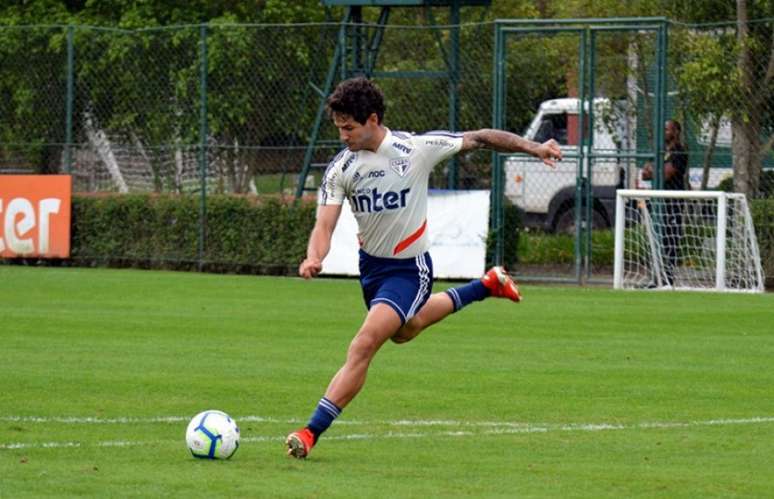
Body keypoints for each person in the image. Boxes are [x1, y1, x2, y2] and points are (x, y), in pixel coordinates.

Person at [286, 77, 562, 459]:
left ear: (372, 119)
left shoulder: (414, 149)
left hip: (408, 269)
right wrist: (314, 256)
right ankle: (486, 285)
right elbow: (325, 224)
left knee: (365, 343)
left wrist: (533, 147)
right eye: (338, 127)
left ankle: (311, 431)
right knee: (406, 330)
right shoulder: (341, 168)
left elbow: (480, 137)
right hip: (372, 271)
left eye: (348, 127)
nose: (343, 135)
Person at [641, 119, 689, 286]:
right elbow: (644, 174)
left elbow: (666, 174)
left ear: (676, 132)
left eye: (667, 129)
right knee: (655, 237)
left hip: (672, 201)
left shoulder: (679, 152)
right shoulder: (660, 151)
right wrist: (655, 170)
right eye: (663, 129)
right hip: (657, 201)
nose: (664, 132)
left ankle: (668, 278)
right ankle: (655, 277)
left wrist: (653, 169)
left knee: (670, 239)